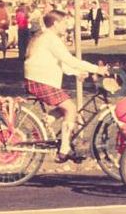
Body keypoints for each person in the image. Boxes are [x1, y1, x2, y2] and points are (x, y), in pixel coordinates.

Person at [24, 10, 109, 161]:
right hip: (41, 81)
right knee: (70, 108)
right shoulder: (51, 39)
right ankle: (64, 150)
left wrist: (77, 73)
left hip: (38, 80)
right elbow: (70, 60)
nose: (67, 26)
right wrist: (97, 69)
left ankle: (47, 120)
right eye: (64, 23)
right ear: (55, 24)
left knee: (67, 109)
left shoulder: (47, 37)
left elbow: (60, 63)